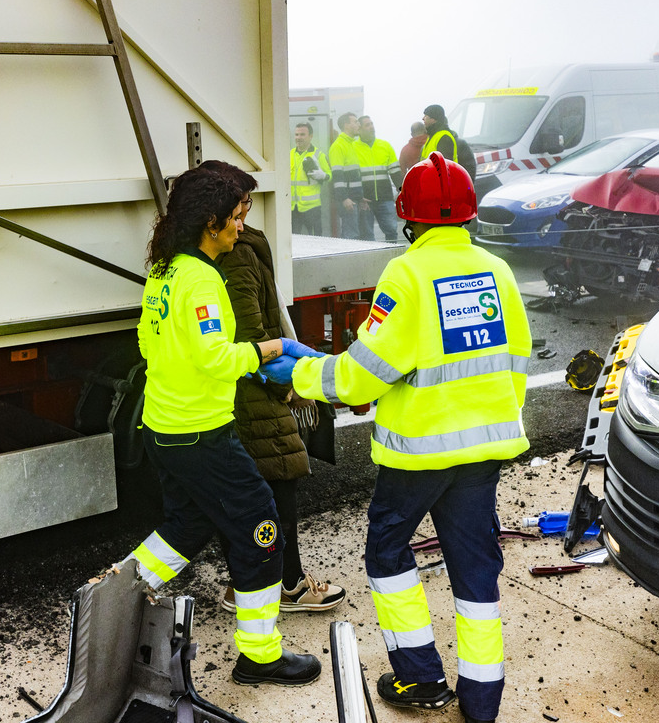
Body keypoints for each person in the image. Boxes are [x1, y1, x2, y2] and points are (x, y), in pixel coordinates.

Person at [289, 153, 532, 723]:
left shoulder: (406, 274)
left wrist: (301, 374)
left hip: (419, 453)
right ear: (468, 217)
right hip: (484, 451)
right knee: (475, 569)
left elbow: (361, 374)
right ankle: (480, 702)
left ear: (408, 219)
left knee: (387, 552)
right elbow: (516, 360)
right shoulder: (498, 271)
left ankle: (420, 679)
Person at [122, 165, 324, 687]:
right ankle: (261, 656)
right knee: (261, 533)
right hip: (203, 433)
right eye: (235, 218)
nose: (241, 227)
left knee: (185, 527)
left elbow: (148, 345)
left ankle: (112, 598)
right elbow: (215, 357)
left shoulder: (164, 272)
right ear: (210, 222)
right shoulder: (203, 278)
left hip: (164, 427)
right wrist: (269, 349)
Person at [199, 160, 347, 614]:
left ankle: (246, 582)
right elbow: (250, 335)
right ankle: (287, 585)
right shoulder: (237, 253)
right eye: (239, 211)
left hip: (235, 385)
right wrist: (291, 380)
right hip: (253, 387)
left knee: (246, 491)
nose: (243, 222)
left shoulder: (218, 251)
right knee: (276, 481)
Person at [355, 115, 405, 242]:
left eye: (372, 124)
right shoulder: (353, 147)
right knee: (366, 235)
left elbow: (395, 172)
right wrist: (358, 197)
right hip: (365, 200)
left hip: (385, 198)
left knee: (391, 231)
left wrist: (402, 190)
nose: (371, 127)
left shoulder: (385, 146)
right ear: (359, 129)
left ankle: (392, 257)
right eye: (367, 125)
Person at [329, 112, 365, 239]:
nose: (358, 124)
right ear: (346, 125)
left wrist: (360, 197)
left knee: (354, 234)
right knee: (351, 236)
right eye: (355, 122)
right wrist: (344, 198)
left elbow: (353, 176)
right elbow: (337, 176)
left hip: (353, 199)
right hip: (347, 200)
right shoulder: (338, 146)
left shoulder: (350, 144)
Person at [289, 122, 329, 235]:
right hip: (293, 208)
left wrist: (324, 176)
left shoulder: (318, 155)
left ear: (311, 136)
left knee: (316, 240)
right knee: (293, 241)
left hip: (312, 208)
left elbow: (330, 175)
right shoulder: (289, 154)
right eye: (296, 135)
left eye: (302, 134)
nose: (298, 138)